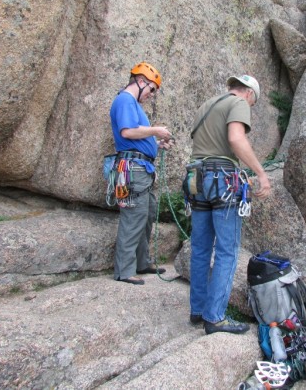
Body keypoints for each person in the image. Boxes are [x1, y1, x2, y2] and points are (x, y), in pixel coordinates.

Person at [188, 74, 272, 334]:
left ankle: (198, 310)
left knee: (201, 248)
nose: (250, 106)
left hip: (196, 179)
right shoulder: (239, 103)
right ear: (249, 93)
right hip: (222, 180)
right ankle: (215, 318)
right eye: (253, 102)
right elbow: (236, 139)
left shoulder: (207, 104)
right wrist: (260, 173)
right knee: (227, 250)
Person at [109, 62, 174, 285]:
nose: (151, 95)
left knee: (147, 213)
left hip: (141, 169)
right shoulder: (125, 100)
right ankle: (125, 271)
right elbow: (127, 131)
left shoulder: (132, 104)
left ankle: (141, 262)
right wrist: (156, 130)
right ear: (141, 81)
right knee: (134, 216)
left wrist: (155, 143)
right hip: (133, 170)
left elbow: (136, 137)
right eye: (152, 89)